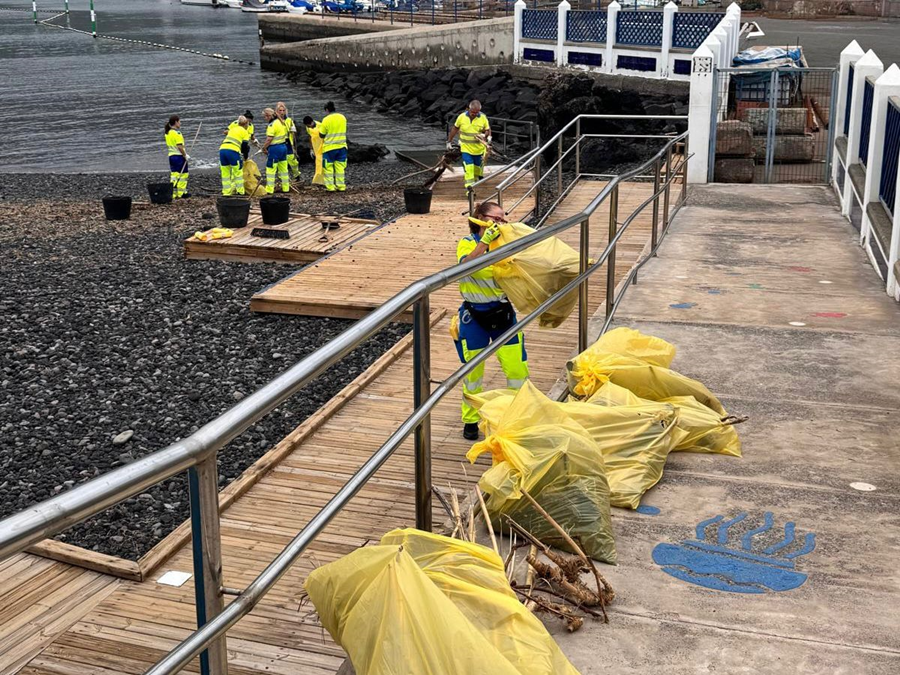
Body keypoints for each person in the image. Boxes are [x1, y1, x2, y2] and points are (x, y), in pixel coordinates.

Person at [454, 201, 529, 440]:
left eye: (503, 219)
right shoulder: (467, 243)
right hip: (474, 316)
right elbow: (466, 267)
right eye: (495, 219)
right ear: (480, 219)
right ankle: (471, 420)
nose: (501, 223)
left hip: (503, 314)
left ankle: (516, 419)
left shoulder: (506, 243)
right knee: (473, 373)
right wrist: (485, 242)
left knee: (517, 369)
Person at [447, 100, 491, 190]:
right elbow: (455, 128)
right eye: (473, 112)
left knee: (477, 169)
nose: (474, 114)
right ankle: (469, 189)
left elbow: (487, 129)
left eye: (477, 112)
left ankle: (477, 177)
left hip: (478, 149)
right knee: (469, 168)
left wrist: (486, 135)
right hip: (465, 148)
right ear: (468, 109)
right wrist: (449, 141)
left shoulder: (483, 117)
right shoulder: (461, 117)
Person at [319, 101, 348, 192]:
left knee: (328, 168)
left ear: (327, 110)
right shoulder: (342, 117)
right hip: (342, 146)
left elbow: (322, 134)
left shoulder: (326, 119)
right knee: (340, 167)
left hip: (329, 147)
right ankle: (341, 186)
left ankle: (330, 187)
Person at [261, 107, 290, 195]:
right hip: (283, 147)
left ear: (268, 116)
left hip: (275, 149)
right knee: (284, 169)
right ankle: (286, 188)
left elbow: (269, 139)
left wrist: (264, 148)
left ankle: (269, 189)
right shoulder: (281, 122)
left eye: (265, 117)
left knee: (270, 169)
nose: (265, 119)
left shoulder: (272, 125)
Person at [219, 116, 251, 196]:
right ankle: (240, 192)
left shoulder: (232, 129)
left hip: (222, 150)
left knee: (225, 173)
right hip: (233, 151)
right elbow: (245, 146)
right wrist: (245, 157)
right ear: (246, 124)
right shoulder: (244, 132)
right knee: (238, 172)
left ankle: (226, 192)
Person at [164, 115, 190, 199]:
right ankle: (181, 193)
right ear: (175, 122)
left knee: (174, 175)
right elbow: (179, 146)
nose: (180, 123)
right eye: (179, 121)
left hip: (171, 156)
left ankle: (173, 194)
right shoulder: (177, 133)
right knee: (183, 175)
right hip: (179, 157)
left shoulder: (168, 133)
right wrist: (185, 155)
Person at [276, 101, 301, 181]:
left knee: (292, 161)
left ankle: (296, 175)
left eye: (283, 110)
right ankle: (281, 178)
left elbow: (293, 132)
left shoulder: (289, 120)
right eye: (280, 110)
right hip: (279, 143)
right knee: (281, 162)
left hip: (288, 143)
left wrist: (293, 145)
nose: (282, 112)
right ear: (277, 111)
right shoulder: (275, 121)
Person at [303, 116, 325, 187]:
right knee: (318, 163)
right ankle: (320, 180)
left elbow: (325, 136)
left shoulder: (320, 126)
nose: (309, 127)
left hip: (322, 147)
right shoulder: (308, 127)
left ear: (312, 122)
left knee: (322, 164)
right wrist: (311, 148)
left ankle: (320, 180)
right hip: (315, 147)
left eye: (309, 126)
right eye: (307, 126)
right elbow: (310, 137)